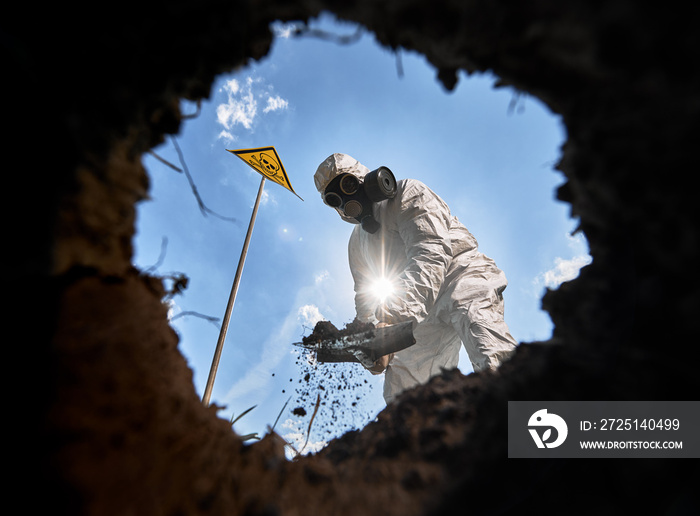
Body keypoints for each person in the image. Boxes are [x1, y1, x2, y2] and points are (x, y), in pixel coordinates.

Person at [314, 153, 517, 404]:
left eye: (348, 185)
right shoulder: (356, 243)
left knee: (485, 339)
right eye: (335, 198)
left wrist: (393, 319)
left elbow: (430, 254)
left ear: (363, 177)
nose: (346, 199)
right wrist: (367, 340)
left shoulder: (407, 193)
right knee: (404, 392)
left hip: (459, 274)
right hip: (414, 312)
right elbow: (364, 294)